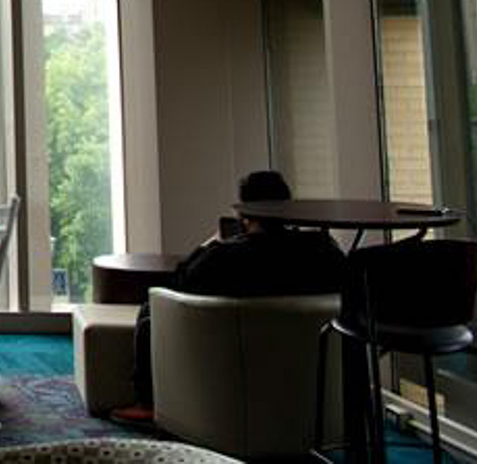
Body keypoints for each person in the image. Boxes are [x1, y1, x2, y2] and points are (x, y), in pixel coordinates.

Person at [108, 169, 345, 426]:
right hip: (304, 369)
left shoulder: (224, 256)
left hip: (227, 369)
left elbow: (180, 281)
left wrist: (211, 243)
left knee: (149, 313)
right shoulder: (322, 250)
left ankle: (147, 403)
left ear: (243, 212)